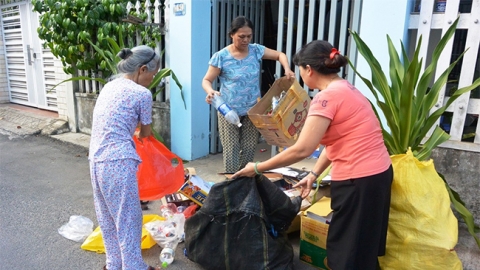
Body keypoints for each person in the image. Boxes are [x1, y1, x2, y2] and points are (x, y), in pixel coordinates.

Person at [232, 40, 393, 270]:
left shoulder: (326, 98)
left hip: (358, 181)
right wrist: (314, 174)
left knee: (346, 251)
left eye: (300, 69)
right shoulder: (347, 88)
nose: (300, 75)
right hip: (378, 175)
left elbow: (302, 149)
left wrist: (258, 168)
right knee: (363, 247)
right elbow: (337, 141)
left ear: (309, 69)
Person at [88, 45, 161, 270]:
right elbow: (146, 133)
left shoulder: (109, 87)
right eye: (153, 73)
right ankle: (134, 267)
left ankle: (113, 265)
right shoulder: (142, 93)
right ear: (142, 69)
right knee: (129, 219)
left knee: (108, 218)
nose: (154, 78)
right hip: (119, 160)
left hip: (96, 159)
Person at [202, 15, 295, 173]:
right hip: (228, 110)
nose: (245, 40)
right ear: (231, 34)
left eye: (249, 36)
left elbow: (280, 55)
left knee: (249, 147)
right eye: (241, 36)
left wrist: (287, 68)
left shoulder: (256, 50)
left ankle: (245, 179)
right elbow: (206, 80)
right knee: (231, 148)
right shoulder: (221, 57)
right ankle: (231, 181)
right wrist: (210, 91)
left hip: (253, 110)